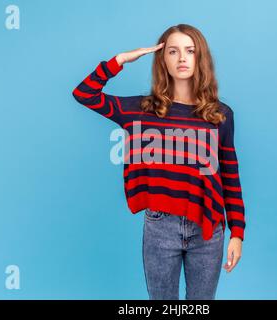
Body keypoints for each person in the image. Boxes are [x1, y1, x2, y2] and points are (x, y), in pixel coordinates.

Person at [72, 24, 246, 300]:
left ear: (200, 57)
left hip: (208, 226)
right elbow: (85, 94)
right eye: (173, 51)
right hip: (160, 225)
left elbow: (230, 176)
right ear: (162, 59)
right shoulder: (140, 110)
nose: (182, 58)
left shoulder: (220, 115)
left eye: (190, 51)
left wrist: (237, 231)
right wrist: (120, 60)